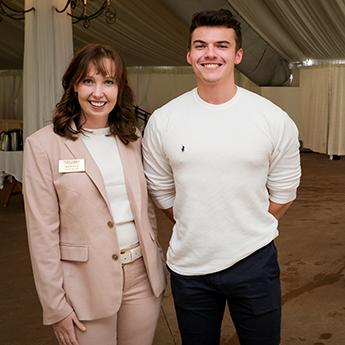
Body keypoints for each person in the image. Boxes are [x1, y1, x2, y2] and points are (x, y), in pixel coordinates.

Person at [142, 8, 301, 345]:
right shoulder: (164, 120)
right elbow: (160, 189)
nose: (210, 54)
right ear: (189, 55)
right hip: (189, 267)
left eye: (221, 45)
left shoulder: (272, 119)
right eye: (200, 45)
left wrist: (243, 226)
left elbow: (284, 191)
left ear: (238, 55)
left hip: (254, 263)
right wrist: (198, 222)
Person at [23, 43, 166, 345]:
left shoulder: (133, 138)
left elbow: (145, 210)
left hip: (141, 278)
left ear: (119, 88)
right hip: (84, 285)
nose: (98, 93)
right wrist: (55, 306)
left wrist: (155, 262)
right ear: (74, 85)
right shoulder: (44, 145)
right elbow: (42, 234)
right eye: (89, 81)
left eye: (108, 82)